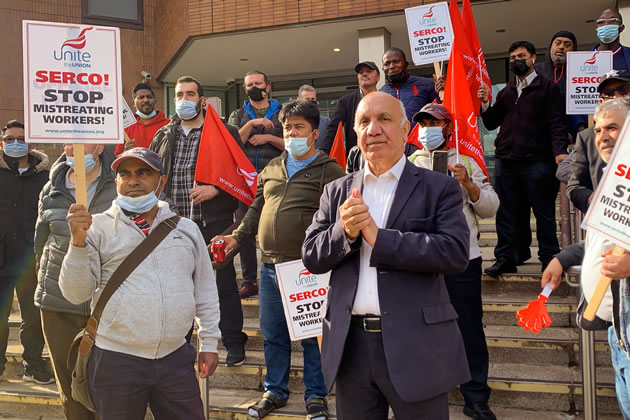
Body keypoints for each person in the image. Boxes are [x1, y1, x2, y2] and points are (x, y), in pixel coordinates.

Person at [302, 92, 470, 419]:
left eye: (385, 119)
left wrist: (381, 240)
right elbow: (311, 255)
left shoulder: (439, 187)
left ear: (406, 130)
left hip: (417, 345)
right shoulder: (337, 191)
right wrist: (345, 233)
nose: (373, 129)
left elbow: (454, 252)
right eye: (364, 121)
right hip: (352, 348)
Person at [59, 147, 221, 420]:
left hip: (175, 358)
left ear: (162, 181)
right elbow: (75, 294)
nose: (133, 180)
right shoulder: (95, 227)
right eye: (125, 174)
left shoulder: (186, 229)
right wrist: (76, 243)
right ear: (117, 182)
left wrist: (210, 343)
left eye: (143, 172)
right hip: (116, 360)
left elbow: (205, 291)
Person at [212, 101, 345, 420]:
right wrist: (235, 237)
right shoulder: (271, 169)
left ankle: (316, 395)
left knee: (312, 336)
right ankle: (275, 390)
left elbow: (340, 220)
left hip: (308, 268)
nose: (292, 133)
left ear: (314, 133)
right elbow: (256, 210)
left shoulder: (330, 170)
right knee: (273, 333)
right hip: (269, 267)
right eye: (287, 128)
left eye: (299, 127)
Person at [409, 104, 499, 420]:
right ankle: (426, 389)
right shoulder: (407, 164)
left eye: (435, 123)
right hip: (421, 261)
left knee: (469, 329)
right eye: (423, 123)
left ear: (448, 128)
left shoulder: (468, 161)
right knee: (420, 329)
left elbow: (490, 208)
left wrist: (470, 185)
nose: (428, 129)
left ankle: (475, 396)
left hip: (462, 261)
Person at [150, 75, 248, 366]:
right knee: (177, 285)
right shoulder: (164, 134)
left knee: (223, 284)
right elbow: (154, 171)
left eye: (190, 94)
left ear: (202, 100)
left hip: (212, 221)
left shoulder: (223, 131)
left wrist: (216, 188)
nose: (184, 100)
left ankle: (233, 342)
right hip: (173, 223)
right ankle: (180, 344)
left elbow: (242, 175)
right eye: (179, 95)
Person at [542, 97, 630, 419]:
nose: (602, 136)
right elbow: (600, 242)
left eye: (613, 128)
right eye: (597, 130)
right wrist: (562, 259)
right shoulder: (609, 182)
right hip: (618, 334)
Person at [35, 142, 116, 419]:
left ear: (101, 142)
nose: (73, 146)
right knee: (72, 394)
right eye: (68, 141)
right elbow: (40, 242)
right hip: (59, 305)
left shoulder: (121, 184)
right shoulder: (51, 187)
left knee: (112, 390)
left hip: (106, 304)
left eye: (81, 139)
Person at [479, 40, 568, 277]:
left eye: (521, 56)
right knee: (507, 212)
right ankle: (507, 257)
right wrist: (486, 103)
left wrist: (560, 151)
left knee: (544, 212)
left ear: (532, 58)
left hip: (538, 161)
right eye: (512, 58)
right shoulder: (507, 91)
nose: (516, 60)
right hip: (507, 161)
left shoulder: (548, 88)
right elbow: (491, 122)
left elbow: (557, 123)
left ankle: (550, 258)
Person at [0, 120, 53, 385]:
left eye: (21, 138)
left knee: (33, 316)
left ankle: (34, 363)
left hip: (32, 258)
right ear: (2, 142)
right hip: (1, 257)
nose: (15, 143)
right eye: (9, 139)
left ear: (31, 142)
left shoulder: (45, 176)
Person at [228, 70, 284, 299]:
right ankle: (250, 280)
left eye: (258, 83)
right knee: (244, 229)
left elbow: (292, 144)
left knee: (277, 226)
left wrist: (268, 138)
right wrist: (251, 124)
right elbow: (232, 144)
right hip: (245, 182)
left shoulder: (283, 112)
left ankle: (279, 276)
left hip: (277, 180)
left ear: (267, 86)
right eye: (250, 84)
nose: (254, 87)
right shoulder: (238, 115)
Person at [567, 70, 630, 213]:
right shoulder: (587, 138)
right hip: (607, 224)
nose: (617, 96)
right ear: (601, 101)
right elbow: (575, 186)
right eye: (608, 93)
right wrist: (593, 199)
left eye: (624, 89)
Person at [321, 61, 380, 156]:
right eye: (361, 72)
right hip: (356, 156)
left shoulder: (386, 100)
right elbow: (333, 129)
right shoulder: (345, 101)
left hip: (381, 151)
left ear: (378, 77)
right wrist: (324, 153)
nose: (364, 74)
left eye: (368, 71)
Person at [534, 30, 587, 138]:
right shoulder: (535, 71)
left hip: (572, 136)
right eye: (558, 43)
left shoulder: (580, 72)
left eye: (567, 45)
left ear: (573, 50)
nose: (561, 47)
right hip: (539, 135)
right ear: (551, 47)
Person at [379, 47, 439, 127]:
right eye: (386, 64)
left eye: (396, 62)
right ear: (383, 69)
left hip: (420, 138)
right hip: (392, 139)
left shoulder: (427, 85)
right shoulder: (380, 94)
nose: (391, 66)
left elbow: (440, 112)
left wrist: (443, 92)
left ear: (406, 65)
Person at [115, 83, 170, 156]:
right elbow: (117, 156)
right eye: (141, 97)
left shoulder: (168, 125)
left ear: (155, 101)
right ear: (133, 103)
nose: (146, 100)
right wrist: (126, 153)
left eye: (149, 97)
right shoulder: (126, 128)